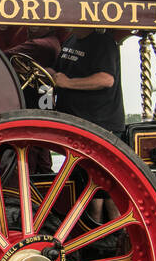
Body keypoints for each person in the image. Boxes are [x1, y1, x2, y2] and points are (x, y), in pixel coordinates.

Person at [53, 28, 125, 226]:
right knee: (87, 187)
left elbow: (106, 79)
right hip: (77, 126)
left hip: (100, 125)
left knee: (103, 191)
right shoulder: (70, 40)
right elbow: (59, 73)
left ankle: (112, 240)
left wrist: (68, 83)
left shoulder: (103, 42)